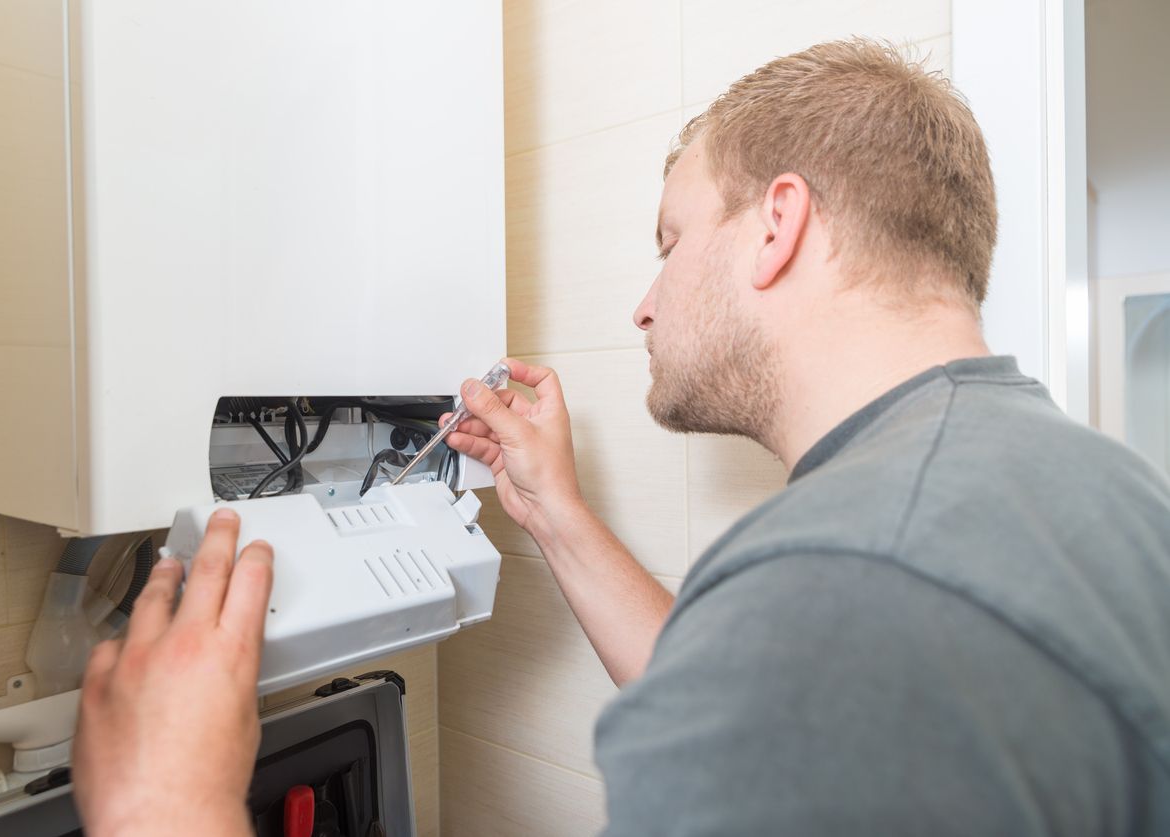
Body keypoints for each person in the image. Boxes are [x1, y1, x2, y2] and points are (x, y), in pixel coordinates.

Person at [73, 39, 1170, 835]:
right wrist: (556, 514)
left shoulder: (839, 584)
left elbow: (798, 656)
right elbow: (745, 688)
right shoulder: (1084, 488)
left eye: (671, 239)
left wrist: (164, 807)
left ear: (778, 226)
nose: (644, 304)